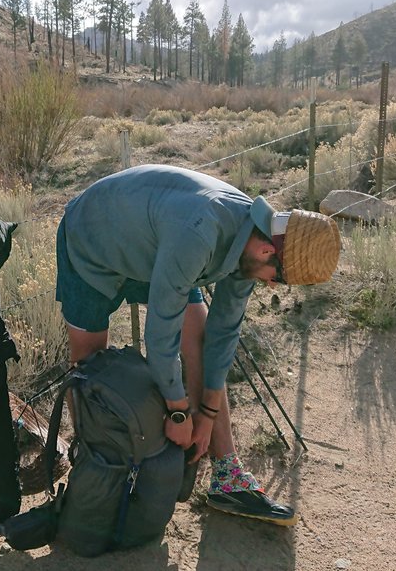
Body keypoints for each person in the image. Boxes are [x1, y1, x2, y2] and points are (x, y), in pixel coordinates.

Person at [55, 164, 341, 524]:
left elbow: (222, 334)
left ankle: (228, 478)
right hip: (93, 237)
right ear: (268, 250)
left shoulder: (249, 242)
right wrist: (178, 410)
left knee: (200, 334)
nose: (271, 286)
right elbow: (160, 334)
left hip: (158, 245)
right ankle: (97, 468)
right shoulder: (200, 232)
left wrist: (204, 414)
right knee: (89, 363)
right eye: (277, 279)